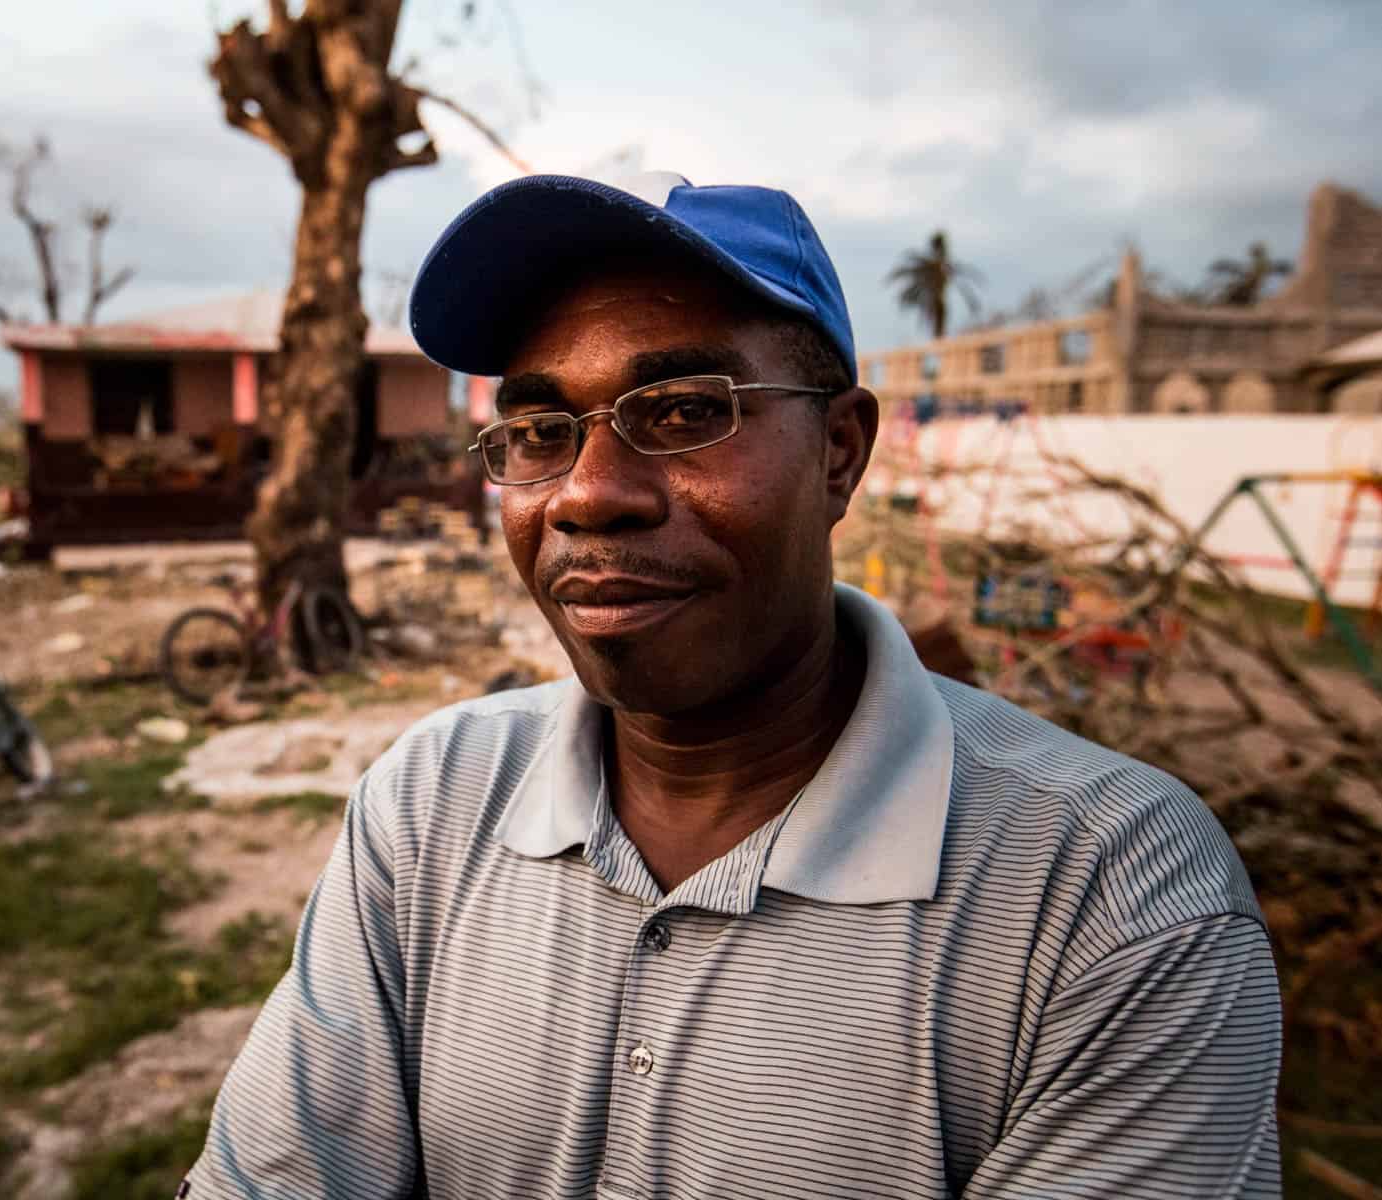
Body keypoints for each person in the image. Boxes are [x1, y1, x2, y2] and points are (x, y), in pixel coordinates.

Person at [178, 173, 1281, 1198]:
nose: (586, 495)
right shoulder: (430, 801)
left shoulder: (1111, 898)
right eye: (535, 431)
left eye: (685, 411)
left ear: (840, 452)